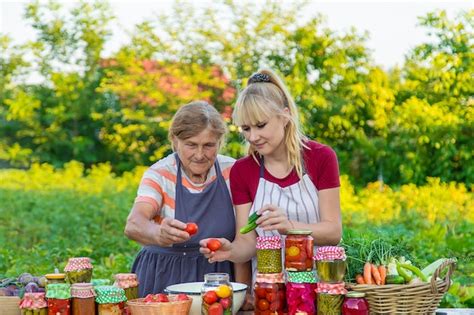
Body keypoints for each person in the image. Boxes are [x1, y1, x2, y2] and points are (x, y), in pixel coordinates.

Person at [199, 69, 342, 281]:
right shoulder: (242, 171)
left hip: (318, 287)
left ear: (285, 116)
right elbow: (246, 242)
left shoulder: (320, 157)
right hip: (268, 291)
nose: (253, 137)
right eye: (246, 128)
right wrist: (231, 251)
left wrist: (290, 227)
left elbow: (333, 232)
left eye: (261, 125)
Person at [125, 101, 244, 296]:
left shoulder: (232, 172)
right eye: (191, 145)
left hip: (217, 281)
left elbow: (243, 237)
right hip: (163, 277)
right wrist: (158, 234)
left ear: (220, 142)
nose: (199, 155)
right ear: (175, 140)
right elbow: (133, 224)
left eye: (208, 145)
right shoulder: (160, 174)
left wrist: (243, 289)